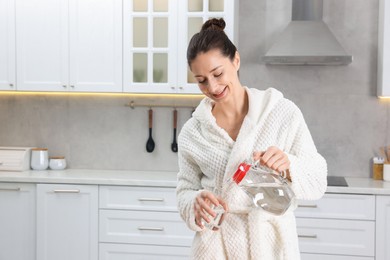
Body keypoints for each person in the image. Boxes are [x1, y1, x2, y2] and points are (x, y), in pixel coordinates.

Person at [176, 17, 327, 259]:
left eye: (217, 73)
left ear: (235, 60)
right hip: (215, 247)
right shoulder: (193, 133)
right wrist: (194, 201)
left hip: (269, 246)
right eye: (201, 80)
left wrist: (289, 165)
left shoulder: (281, 112)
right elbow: (184, 191)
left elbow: (318, 179)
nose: (213, 87)